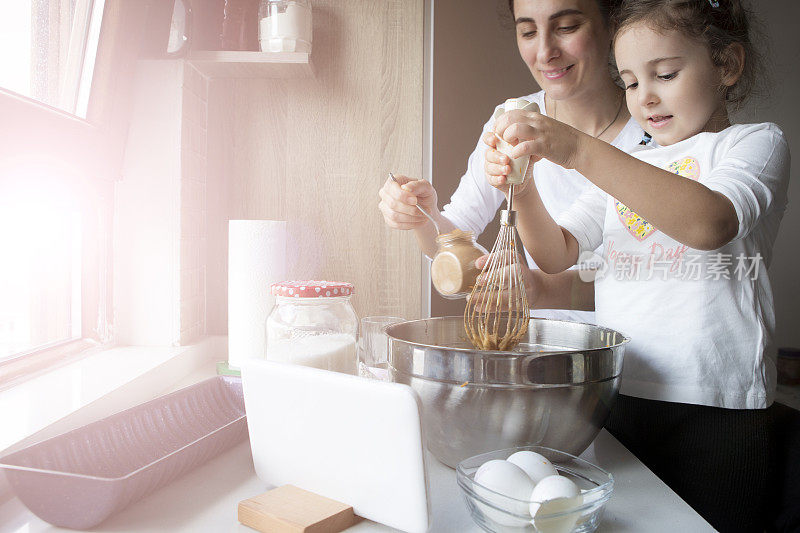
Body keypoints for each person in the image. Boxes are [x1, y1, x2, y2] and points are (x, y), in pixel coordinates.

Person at [486, 0, 790, 530]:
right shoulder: (632, 160)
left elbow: (708, 224)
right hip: (622, 393)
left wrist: (578, 150)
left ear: (728, 65)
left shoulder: (753, 144)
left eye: (665, 74)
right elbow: (556, 253)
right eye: (628, 81)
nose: (644, 97)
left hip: (718, 406)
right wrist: (524, 186)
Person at [378, 0, 644, 322]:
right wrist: (423, 215)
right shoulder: (511, 122)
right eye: (528, 32)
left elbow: (660, 275)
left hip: (638, 355)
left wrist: (542, 287)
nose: (545, 52)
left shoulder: (658, 130)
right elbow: (453, 245)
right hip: (546, 353)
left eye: (566, 27)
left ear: (611, 24)